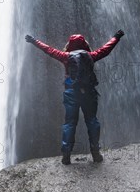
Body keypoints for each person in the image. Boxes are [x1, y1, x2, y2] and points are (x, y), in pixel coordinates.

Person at [25, 30, 125, 165]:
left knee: (70, 123)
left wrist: (33, 40)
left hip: (71, 93)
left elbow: (48, 49)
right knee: (92, 120)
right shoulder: (91, 55)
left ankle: (66, 154)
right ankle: (95, 152)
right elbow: (107, 48)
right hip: (89, 92)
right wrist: (116, 37)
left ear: (70, 46)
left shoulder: (65, 56)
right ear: (84, 45)